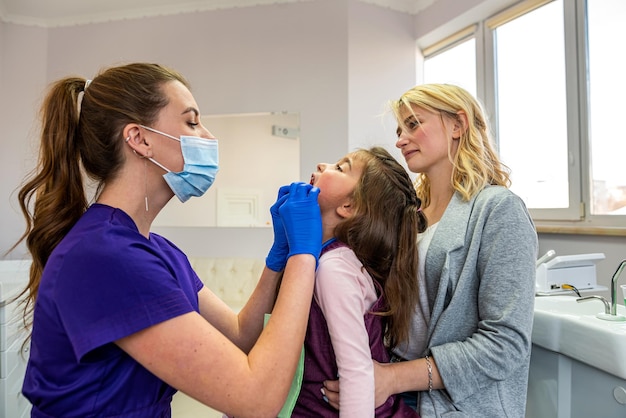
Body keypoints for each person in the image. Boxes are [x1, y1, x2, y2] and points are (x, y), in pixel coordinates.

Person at [12, 62, 322, 418]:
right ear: (139, 139)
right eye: (191, 122)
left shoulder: (156, 250)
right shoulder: (105, 256)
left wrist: (279, 257)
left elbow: (239, 336)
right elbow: (256, 399)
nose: (208, 136)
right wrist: (303, 256)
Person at [323, 84, 538, 417]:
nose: (400, 140)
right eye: (399, 129)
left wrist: (391, 379)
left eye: (413, 124)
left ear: (457, 125)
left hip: (451, 402)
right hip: (392, 392)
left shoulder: (498, 210)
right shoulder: (410, 216)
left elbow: (505, 345)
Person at [290, 146, 426, 417]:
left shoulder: (334, 269)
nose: (321, 164)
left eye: (340, 168)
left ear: (348, 206)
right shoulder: (332, 261)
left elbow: (357, 373)